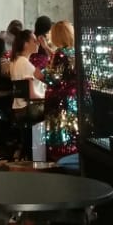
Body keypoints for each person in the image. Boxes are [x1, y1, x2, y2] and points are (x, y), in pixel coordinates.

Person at [42, 21, 79, 162]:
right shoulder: (76, 52)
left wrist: (41, 74)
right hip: (76, 98)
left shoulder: (60, 53)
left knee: (62, 133)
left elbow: (53, 78)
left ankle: (62, 161)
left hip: (61, 101)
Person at [9, 30, 45, 110]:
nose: (38, 43)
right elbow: (31, 95)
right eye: (34, 41)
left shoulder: (16, 60)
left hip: (21, 107)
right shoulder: (23, 63)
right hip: (29, 108)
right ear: (25, 44)